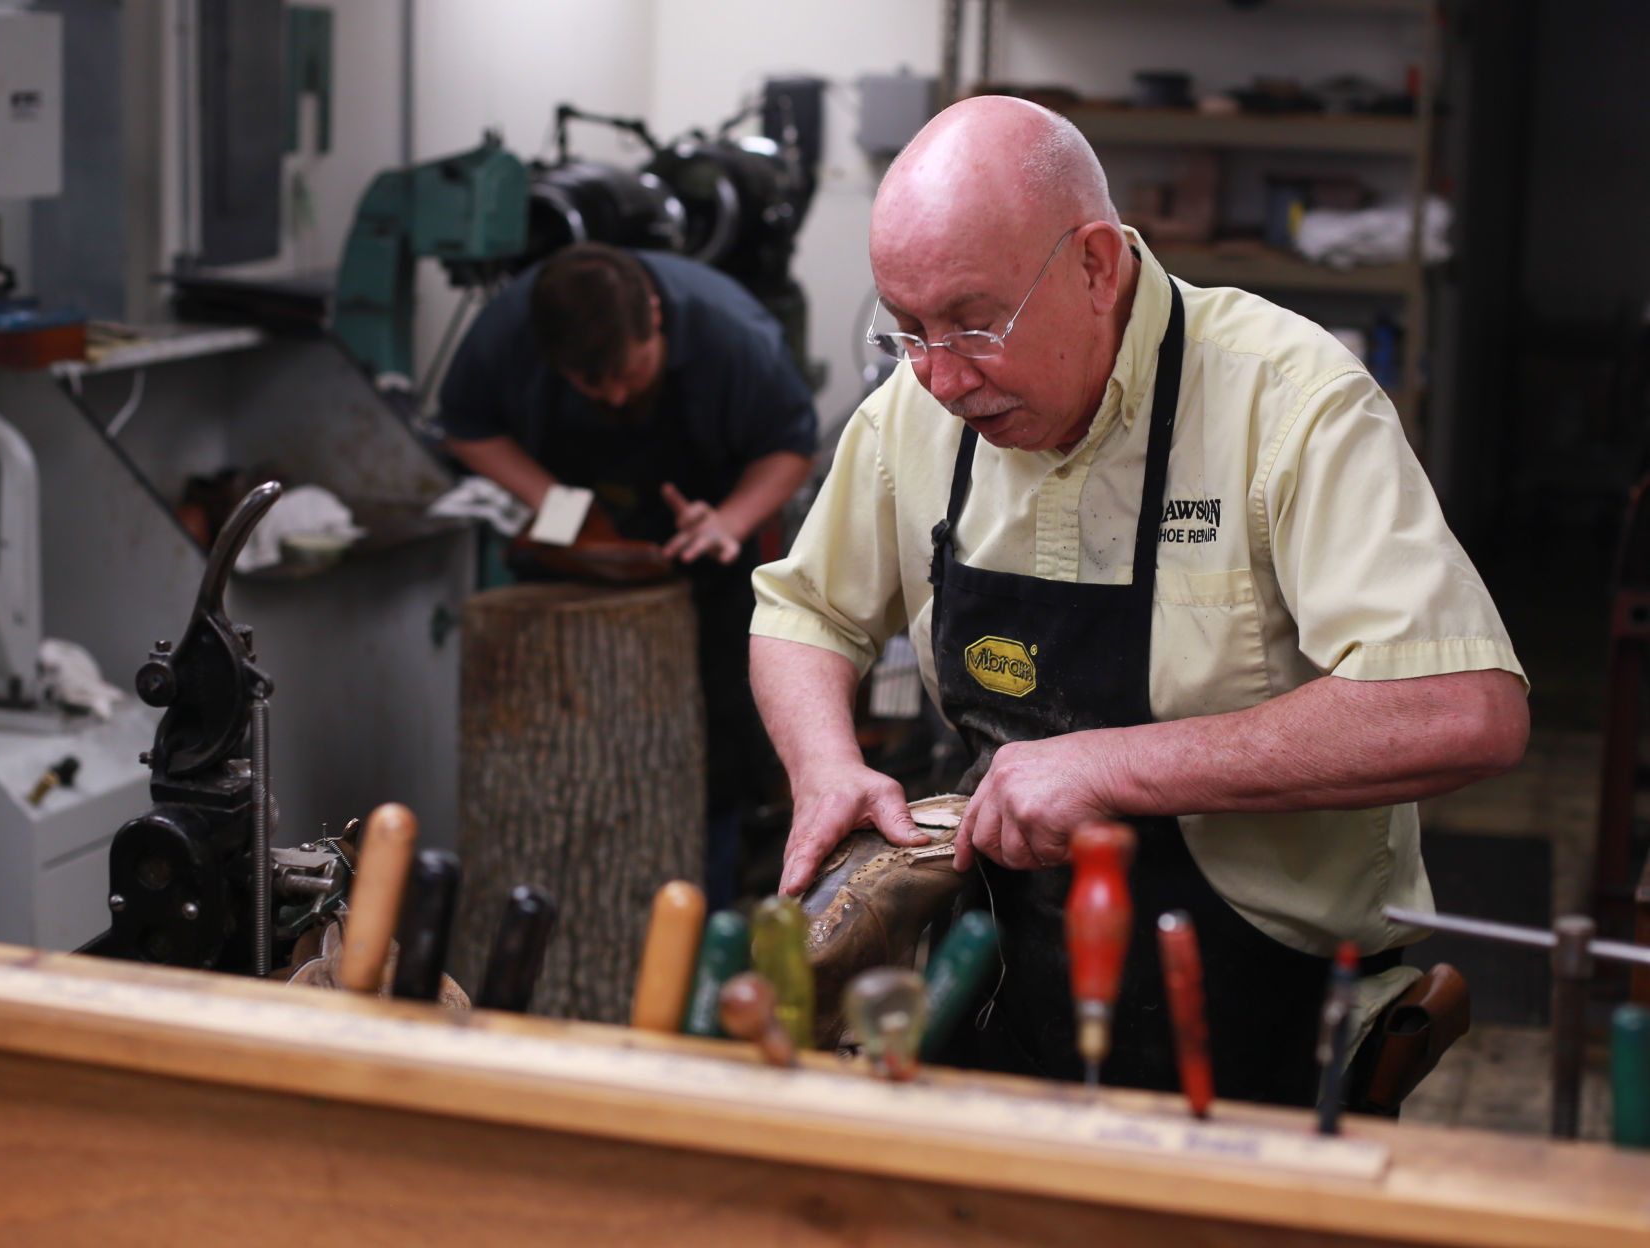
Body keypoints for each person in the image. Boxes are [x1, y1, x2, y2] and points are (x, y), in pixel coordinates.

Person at [748, 96, 1528, 1107]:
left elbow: (1461, 707)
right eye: (907, 330)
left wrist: (1115, 767)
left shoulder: (1285, 402)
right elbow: (807, 610)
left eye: (974, 323)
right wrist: (823, 769)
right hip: (1004, 967)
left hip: (1255, 1015)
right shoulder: (916, 410)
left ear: (1096, 266)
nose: (937, 378)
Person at [438, 243, 818, 909]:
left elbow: (790, 445)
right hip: (565, 567)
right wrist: (562, 506)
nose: (615, 395)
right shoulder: (507, 332)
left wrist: (728, 520)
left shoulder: (732, 335)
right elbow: (466, 427)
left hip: (705, 558)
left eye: (629, 373)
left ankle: (705, 922)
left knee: (713, 760)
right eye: (593, 385)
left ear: (653, 317)